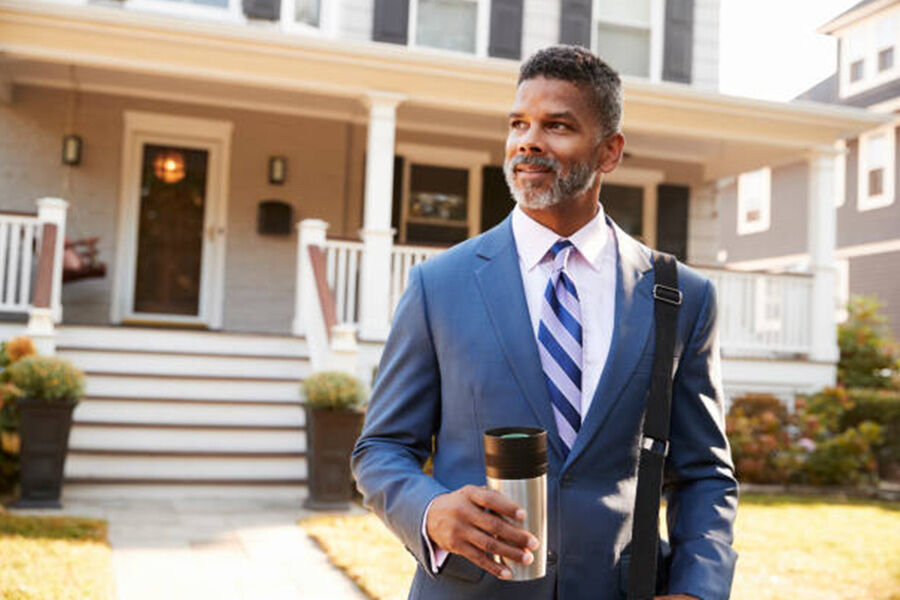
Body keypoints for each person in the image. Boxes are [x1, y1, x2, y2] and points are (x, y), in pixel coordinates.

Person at [351, 45, 738, 600]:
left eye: (556, 125)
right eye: (518, 123)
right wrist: (431, 510)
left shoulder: (680, 296)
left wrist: (698, 588)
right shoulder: (439, 285)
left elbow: (704, 473)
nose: (528, 141)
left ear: (609, 152)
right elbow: (381, 448)